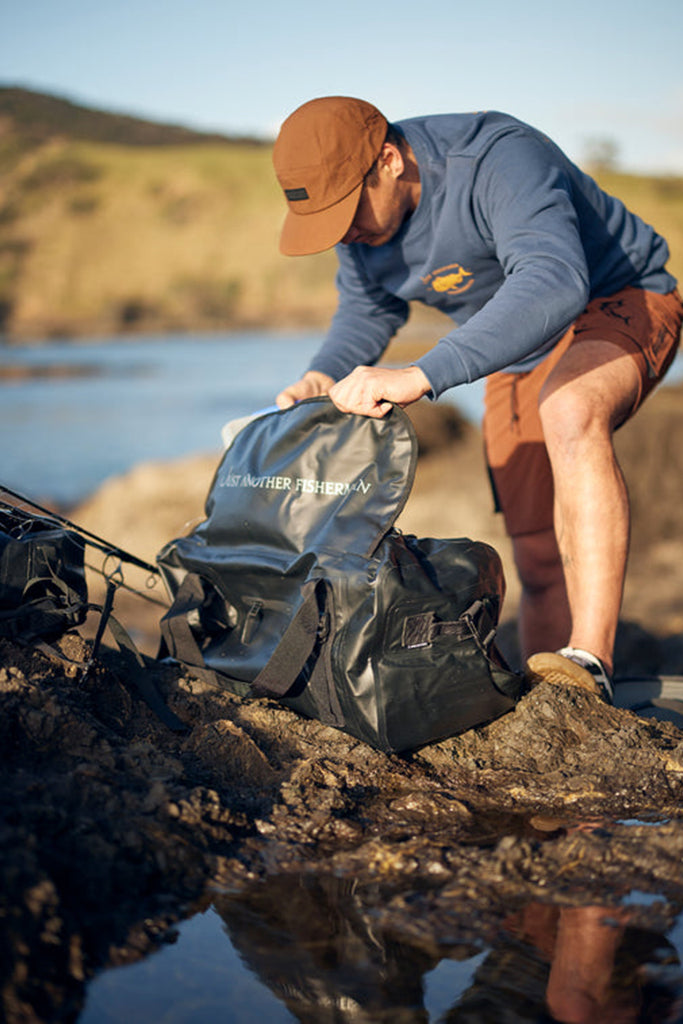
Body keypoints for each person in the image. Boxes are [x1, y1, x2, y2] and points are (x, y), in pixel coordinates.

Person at [271, 96, 683, 701]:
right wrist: (321, 375)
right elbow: (369, 307)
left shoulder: (494, 159)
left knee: (569, 409)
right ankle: (559, 701)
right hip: (515, 344)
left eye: (347, 212)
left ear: (387, 160)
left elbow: (553, 278)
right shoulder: (357, 219)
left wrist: (422, 374)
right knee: (538, 560)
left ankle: (591, 659)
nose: (346, 233)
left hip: (618, 298)